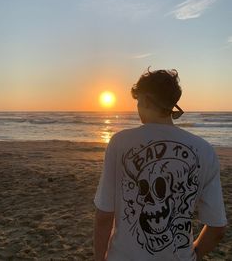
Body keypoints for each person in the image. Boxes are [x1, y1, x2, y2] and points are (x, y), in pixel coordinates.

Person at [94, 68, 227, 261]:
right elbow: (217, 228)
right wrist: (194, 254)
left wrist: (99, 258)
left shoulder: (120, 143)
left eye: (138, 101)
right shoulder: (204, 150)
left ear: (146, 100)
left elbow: (104, 215)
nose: (138, 108)